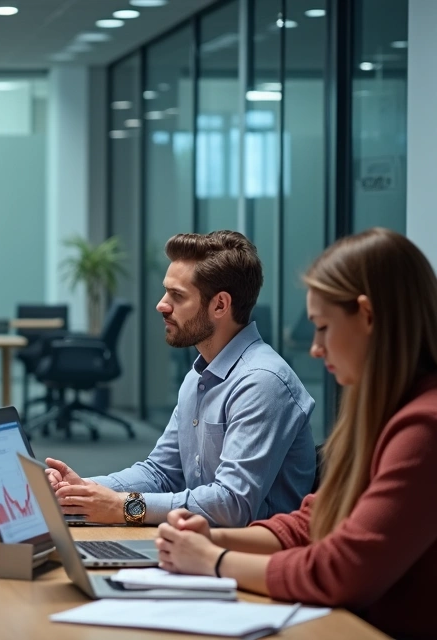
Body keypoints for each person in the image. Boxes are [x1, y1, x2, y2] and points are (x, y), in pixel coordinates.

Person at [155, 228, 437, 639]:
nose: (316, 349)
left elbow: (341, 570)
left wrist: (214, 559)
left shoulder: (425, 428)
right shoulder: (387, 414)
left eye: (322, 328)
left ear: (368, 316)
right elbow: (314, 521)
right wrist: (212, 537)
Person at [45, 231, 315, 526]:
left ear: (220, 305)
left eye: (177, 296)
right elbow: (161, 473)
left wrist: (125, 506)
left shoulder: (262, 382)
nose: (161, 305)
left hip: (250, 561)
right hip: (199, 546)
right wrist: (83, 490)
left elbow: (233, 505)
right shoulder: (199, 376)